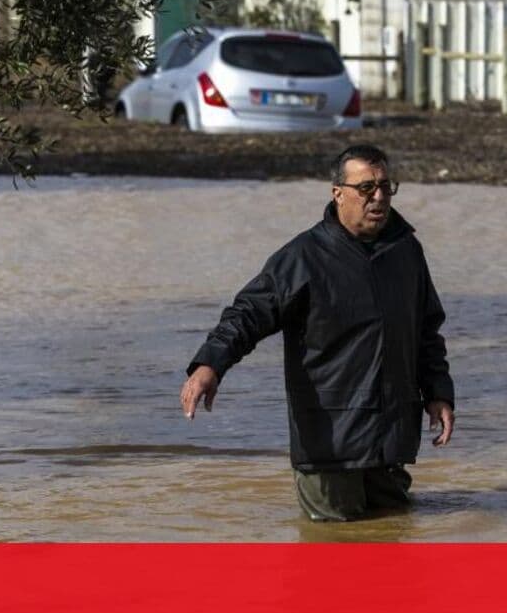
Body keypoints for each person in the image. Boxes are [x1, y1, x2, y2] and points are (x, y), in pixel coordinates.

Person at [180, 144, 455, 522]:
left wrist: (438, 393)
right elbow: (247, 314)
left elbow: (426, 332)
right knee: (330, 552)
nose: (378, 197)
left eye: (385, 186)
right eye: (366, 188)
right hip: (330, 448)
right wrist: (210, 364)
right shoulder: (304, 257)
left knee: (395, 542)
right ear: (338, 193)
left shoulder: (406, 251)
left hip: (390, 444)